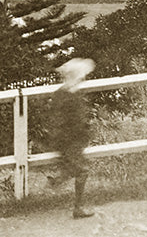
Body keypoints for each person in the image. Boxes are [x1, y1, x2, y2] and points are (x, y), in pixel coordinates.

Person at [49, 57, 96, 219]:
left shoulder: (62, 94)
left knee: (75, 169)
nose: (83, 78)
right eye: (81, 75)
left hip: (68, 139)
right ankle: (77, 207)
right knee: (82, 171)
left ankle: (57, 179)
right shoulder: (70, 95)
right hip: (69, 140)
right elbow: (72, 121)